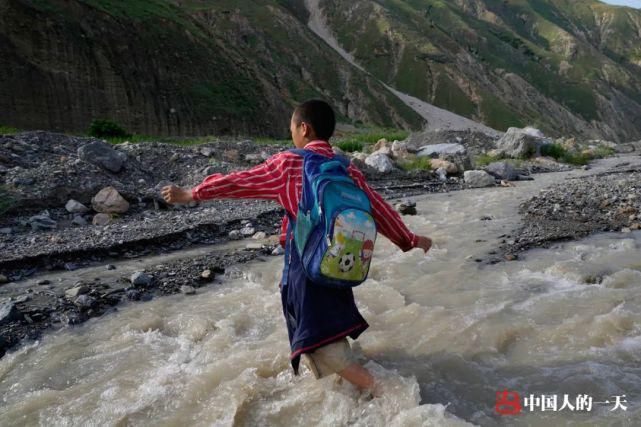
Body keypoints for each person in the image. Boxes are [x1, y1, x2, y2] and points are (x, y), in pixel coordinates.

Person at [162, 100, 432, 395]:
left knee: (321, 348)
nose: (291, 134)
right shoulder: (346, 169)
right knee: (327, 339)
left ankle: (390, 394)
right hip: (340, 263)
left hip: (307, 269)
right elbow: (377, 209)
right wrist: (409, 239)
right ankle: (350, 395)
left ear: (304, 128)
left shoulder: (289, 164)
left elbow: (240, 182)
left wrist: (193, 193)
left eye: (292, 128)